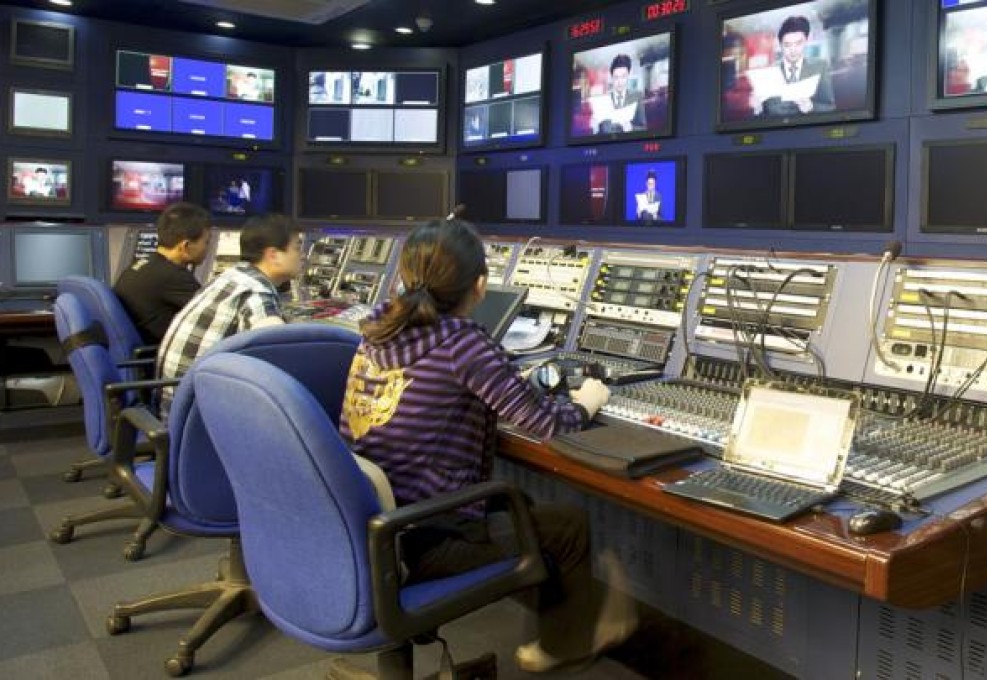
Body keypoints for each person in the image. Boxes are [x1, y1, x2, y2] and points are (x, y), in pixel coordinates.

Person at [339, 219, 636, 673]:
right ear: (480, 285)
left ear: (403, 276)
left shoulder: (377, 328)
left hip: (372, 526)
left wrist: (502, 382)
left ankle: (560, 621)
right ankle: (565, 645)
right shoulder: (463, 344)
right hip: (425, 540)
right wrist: (588, 402)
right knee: (567, 524)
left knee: (522, 505)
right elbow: (548, 425)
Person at [156, 213, 302, 419]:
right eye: (297, 247)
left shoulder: (232, 277)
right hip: (197, 420)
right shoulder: (256, 293)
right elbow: (281, 363)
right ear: (273, 255)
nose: (302, 255)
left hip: (173, 405)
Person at [114, 202, 211, 345]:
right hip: (157, 355)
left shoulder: (141, 265)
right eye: (206, 242)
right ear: (185, 246)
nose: (207, 248)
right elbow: (215, 316)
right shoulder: (174, 277)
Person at [757, 15, 835, 117]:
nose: (793, 50)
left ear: (806, 41)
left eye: (798, 43)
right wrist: (757, 108)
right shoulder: (769, 71)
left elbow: (830, 107)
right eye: (787, 45)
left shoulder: (820, 67)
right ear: (780, 45)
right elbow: (765, 113)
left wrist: (811, 107)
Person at [592, 53, 646, 134]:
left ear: (628, 75)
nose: (620, 82)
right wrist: (595, 129)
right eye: (616, 77)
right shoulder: (604, 100)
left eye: (623, 76)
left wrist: (631, 128)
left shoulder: (636, 96)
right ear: (612, 77)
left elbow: (643, 128)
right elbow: (601, 132)